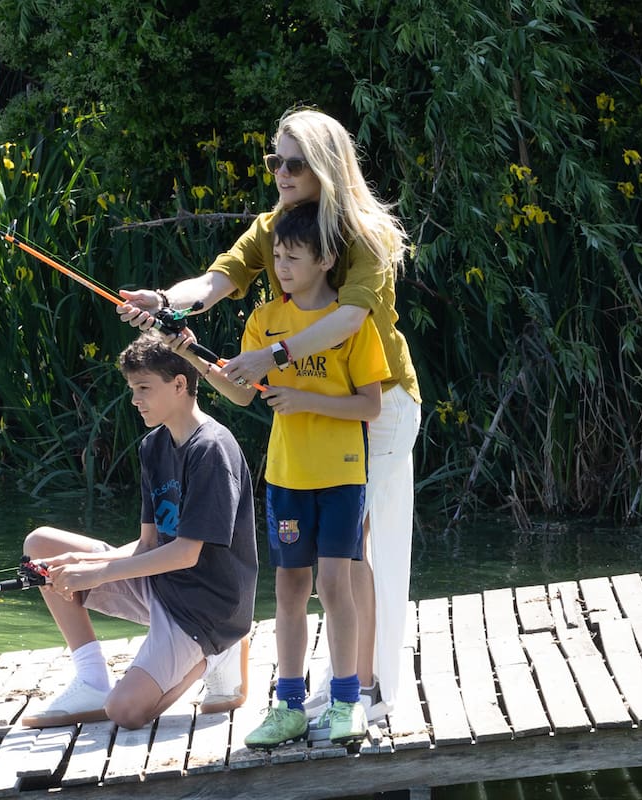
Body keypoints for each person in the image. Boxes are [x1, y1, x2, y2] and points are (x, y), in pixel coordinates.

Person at [119, 107, 421, 721]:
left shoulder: (365, 238)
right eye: (273, 160)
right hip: (313, 413)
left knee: (363, 549)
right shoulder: (276, 227)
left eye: (293, 162)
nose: (279, 172)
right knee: (340, 554)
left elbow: (347, 321)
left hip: (379, 402)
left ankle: (366, 686)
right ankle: (349, 681)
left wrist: (270, 355)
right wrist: (165, 302)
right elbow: (219, 279)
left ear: (325, 168)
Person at [172, 202, 389, 745]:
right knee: (290, 586)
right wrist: (193, 357)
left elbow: (369, 408)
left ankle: (346, 700)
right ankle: (289, 703)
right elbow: (241, 393)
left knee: (335, 584)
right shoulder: (264, 318)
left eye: (295, 256)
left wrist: (305, 399)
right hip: (287, 478)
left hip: (341, 477)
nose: (283, 266)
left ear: (327, 259)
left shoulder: (350, 323)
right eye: (278, 257)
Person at [19, 330, 258, 730]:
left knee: (124, 712)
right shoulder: (153, 446)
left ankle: (219, 650)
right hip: (163, 588)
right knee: (40, 547)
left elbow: (186, 553)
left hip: (205, 610)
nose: (134, 399)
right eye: (132, 389)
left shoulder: (211, 449)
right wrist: (79, 562)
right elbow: (149, 543)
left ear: (180, 384)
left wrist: (94, 572)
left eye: (144, 387)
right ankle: (92, 680)